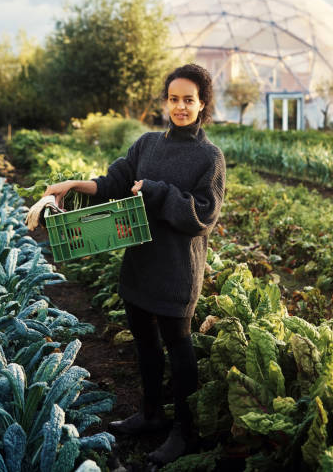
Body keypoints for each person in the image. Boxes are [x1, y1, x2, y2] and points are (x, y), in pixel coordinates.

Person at [43, 63, 226, 465]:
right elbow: (113, 182)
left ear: (202, 104)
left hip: (177, 269)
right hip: (140, 263)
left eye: (188, 100)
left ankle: (184, 431)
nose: (180, 107)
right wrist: (73, 185)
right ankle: (150, 414)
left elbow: (202, 216)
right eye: (174, 99)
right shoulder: (147, 145)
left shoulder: (208, 157)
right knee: (145, 341)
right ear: (165, 101)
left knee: (179, 347)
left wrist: (159, 193)